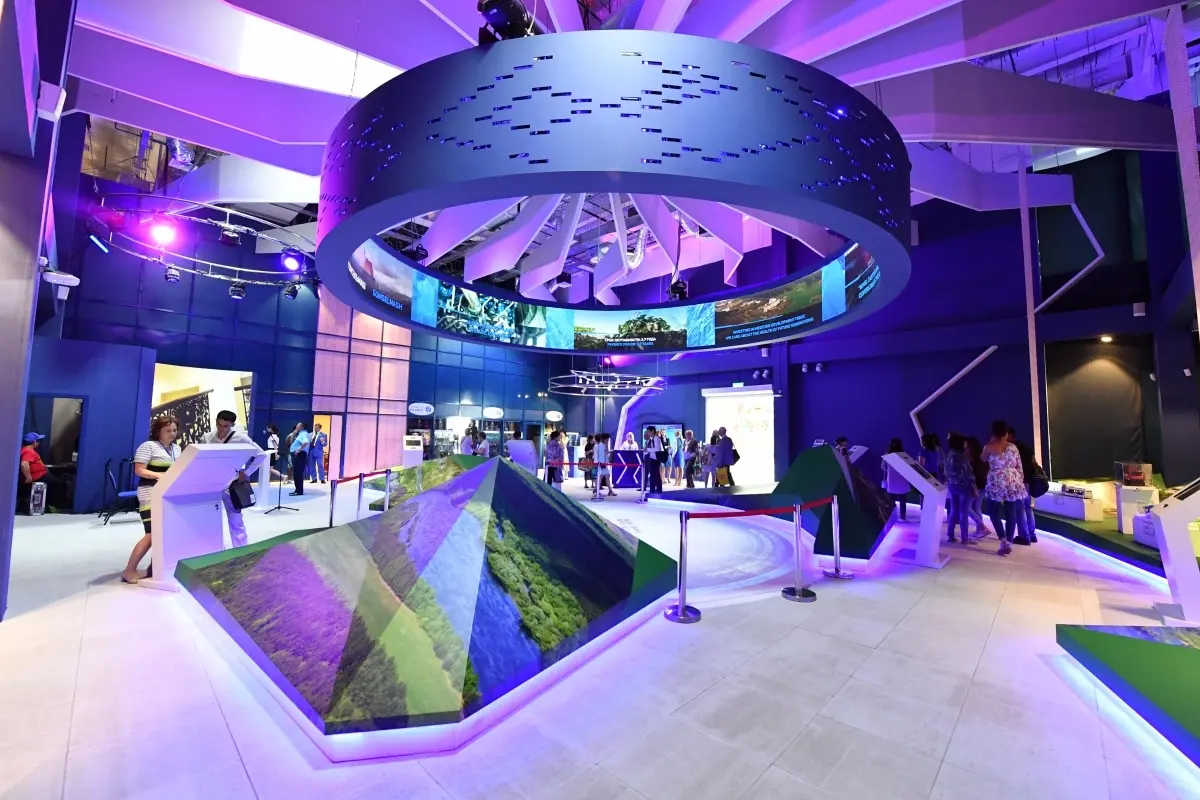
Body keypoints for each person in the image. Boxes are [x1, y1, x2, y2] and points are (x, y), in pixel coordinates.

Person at [121, 415, 181, 584]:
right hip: (149, 493)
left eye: (174, 430)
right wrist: (159, 475)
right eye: (168, 430)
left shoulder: (176, 449)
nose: (172, 433)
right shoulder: (148, 446)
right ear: (158, 431)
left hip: (168, 495)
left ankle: (154, 568)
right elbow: (139, 470)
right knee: (152, 534)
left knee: (164, 534)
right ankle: (129, 570)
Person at [202, 410, 263, 548]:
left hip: (230, 486)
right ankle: (215, 550)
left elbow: (261, 455)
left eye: (225, 426)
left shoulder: (241, 438)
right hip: (210, 485)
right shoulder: (207, 437)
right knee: (210, 521)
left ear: (232, 425)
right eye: (219, 424)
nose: (221, 428)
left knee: (236, 521)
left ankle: (241, 550)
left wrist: (247, 472)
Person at [983, 419, 1030, 556]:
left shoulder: (989, 446)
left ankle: (1003, 540)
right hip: (1012, 480)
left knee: (992, 511)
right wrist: (1020, 481)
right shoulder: (1013, 447)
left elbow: (982, 459)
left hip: (996, 481)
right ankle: (1008, 541)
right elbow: (1019, 465)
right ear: (1006, 433)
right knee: (1011, 513)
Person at [1008, 426, 1039, 545]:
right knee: (1027, 507)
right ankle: (1032, 534)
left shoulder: (1012, 448)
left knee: (1019, 508)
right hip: (1028, 481)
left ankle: (1024, 536)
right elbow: (1033, 461)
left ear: (1010, 435)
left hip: (1018, 481)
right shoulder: (1025, 446)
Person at [17, 433, 62, 513]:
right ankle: (51, 505)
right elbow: (24, 464)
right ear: (34, 442)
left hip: (42, 474)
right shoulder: (28, 451)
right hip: (38, 476)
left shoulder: (25, 450)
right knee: (58, 483)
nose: (39, 443)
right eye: (38, 441)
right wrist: (28, 477)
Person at [943, 433, 975, 544]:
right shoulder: (962, 457)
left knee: (953, 510)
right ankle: (964, 538)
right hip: (964, 487)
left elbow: (945, 471)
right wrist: (974, 487)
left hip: (952, 485)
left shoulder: (948, 455)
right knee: (963, 512)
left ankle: (950, 535)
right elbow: (969, 474)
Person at [965, 436, 993, 539]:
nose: (964, 447)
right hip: (983, 485)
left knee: (967, 508)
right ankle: (980, 530)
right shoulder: (982, 457)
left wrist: (974, 487)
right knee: (976, 507)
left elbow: (973, 475)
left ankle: (982, 528)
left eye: (966, 445)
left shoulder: (973, 460)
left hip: (976, 486)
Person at [882, 438, 911, 521]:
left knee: (892, 500)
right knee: (902, 499)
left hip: (891, 480)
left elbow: (882, 467)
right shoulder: (903, 455)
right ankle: (903, 517)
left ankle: (891, 517)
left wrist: (889, 471)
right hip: (902, 480)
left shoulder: (887, 455)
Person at [289, 422, 312, 496]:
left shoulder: (303, 434)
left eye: (298, 425)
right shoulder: (301, 434)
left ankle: (299, 491)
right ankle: (297, 490)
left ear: (302, 427)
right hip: (299, 455)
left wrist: (299, 450)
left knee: (298, 473)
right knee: (296, 473)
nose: (296, 426)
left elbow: (306, 442)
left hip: (299, 455)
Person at [643, 426, 664, 494]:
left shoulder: (656, 438)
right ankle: (658, 489)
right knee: (656, 475)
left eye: (648, 432)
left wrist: (647, 449)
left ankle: (653, 490)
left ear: (652, 431)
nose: (647, 433)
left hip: (655, 459)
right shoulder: (653, 438)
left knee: (653, 475)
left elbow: (657, 449)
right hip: (653, 458)